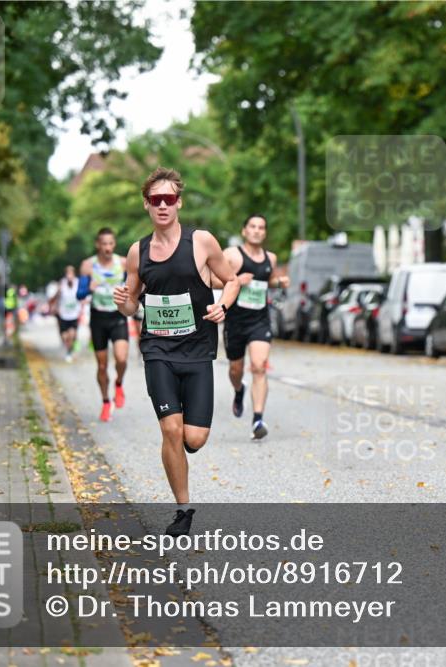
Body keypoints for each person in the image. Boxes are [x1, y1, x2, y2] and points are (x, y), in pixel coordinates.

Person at [113, 167, 239, 537]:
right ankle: (183, 510)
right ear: (147, 205)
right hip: (158, 349)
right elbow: (132, 304)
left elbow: (230, 280)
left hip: (198, 349)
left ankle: (186, 433)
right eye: (156, 200)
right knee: (170, 429)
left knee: (193, 439)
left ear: (179, 202)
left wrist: (223, 307)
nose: (163, 206)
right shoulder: (138, 252)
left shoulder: (201, 242)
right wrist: (123, 302)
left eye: (169, 199)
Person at [215, 215, 289, 439]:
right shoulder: (231, 255)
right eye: (252, 227)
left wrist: (279, 282)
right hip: (236, 321)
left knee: (259, 366)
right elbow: (212, 279)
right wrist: (236, 280)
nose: (257, 231)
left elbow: (267, 280)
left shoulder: (271, 258)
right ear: (245, 230)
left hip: (260, 320)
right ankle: (239, 390)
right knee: (235, 370)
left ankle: (258, 419)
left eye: (261, 228)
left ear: (264, 233)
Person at [78, 228, 129, 421]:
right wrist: (86, 289)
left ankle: (118, 384)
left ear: (114, 244)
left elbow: (133, 287)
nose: (107, 247)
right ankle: (106, 401)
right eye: (104, 244)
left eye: (110, 243)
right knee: (101, 366)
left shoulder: (123, 263)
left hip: (118, 316)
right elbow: (79, 294)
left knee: (121, 359)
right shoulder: (87, 266)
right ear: (98, 245)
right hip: (98, 318)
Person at [49, 265, 82, 362]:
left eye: (71, 273)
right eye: (68, 273)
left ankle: (69, 352)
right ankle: (68, 348)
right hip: (63, 314)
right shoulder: (61, 284)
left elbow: (82, 296)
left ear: (74, 274)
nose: (69, 276)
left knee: (71, 335)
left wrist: (83, 305)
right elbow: (54, 298)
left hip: (74, 314)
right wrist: (54, 306)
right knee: (64, 337)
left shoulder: (77, 283)